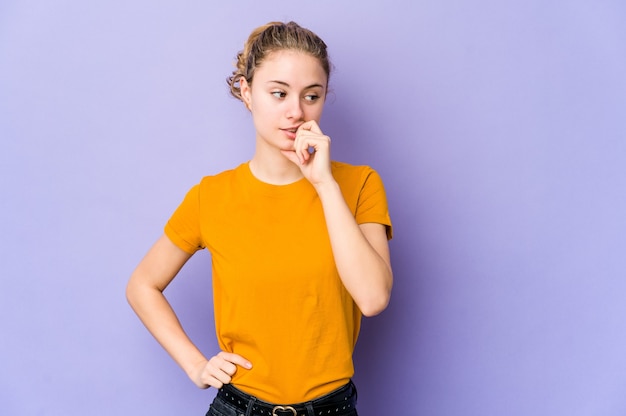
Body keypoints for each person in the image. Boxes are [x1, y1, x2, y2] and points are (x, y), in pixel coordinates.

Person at [126, 21, 393, 416]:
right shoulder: (212, 196)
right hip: (239, 407)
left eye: (311, 96)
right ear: (247, 93)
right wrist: (196, 365)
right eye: (279, 93)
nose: (295, 112)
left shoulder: (358, 184)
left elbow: (372, 299)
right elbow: (142, 285)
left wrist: (323, 185)